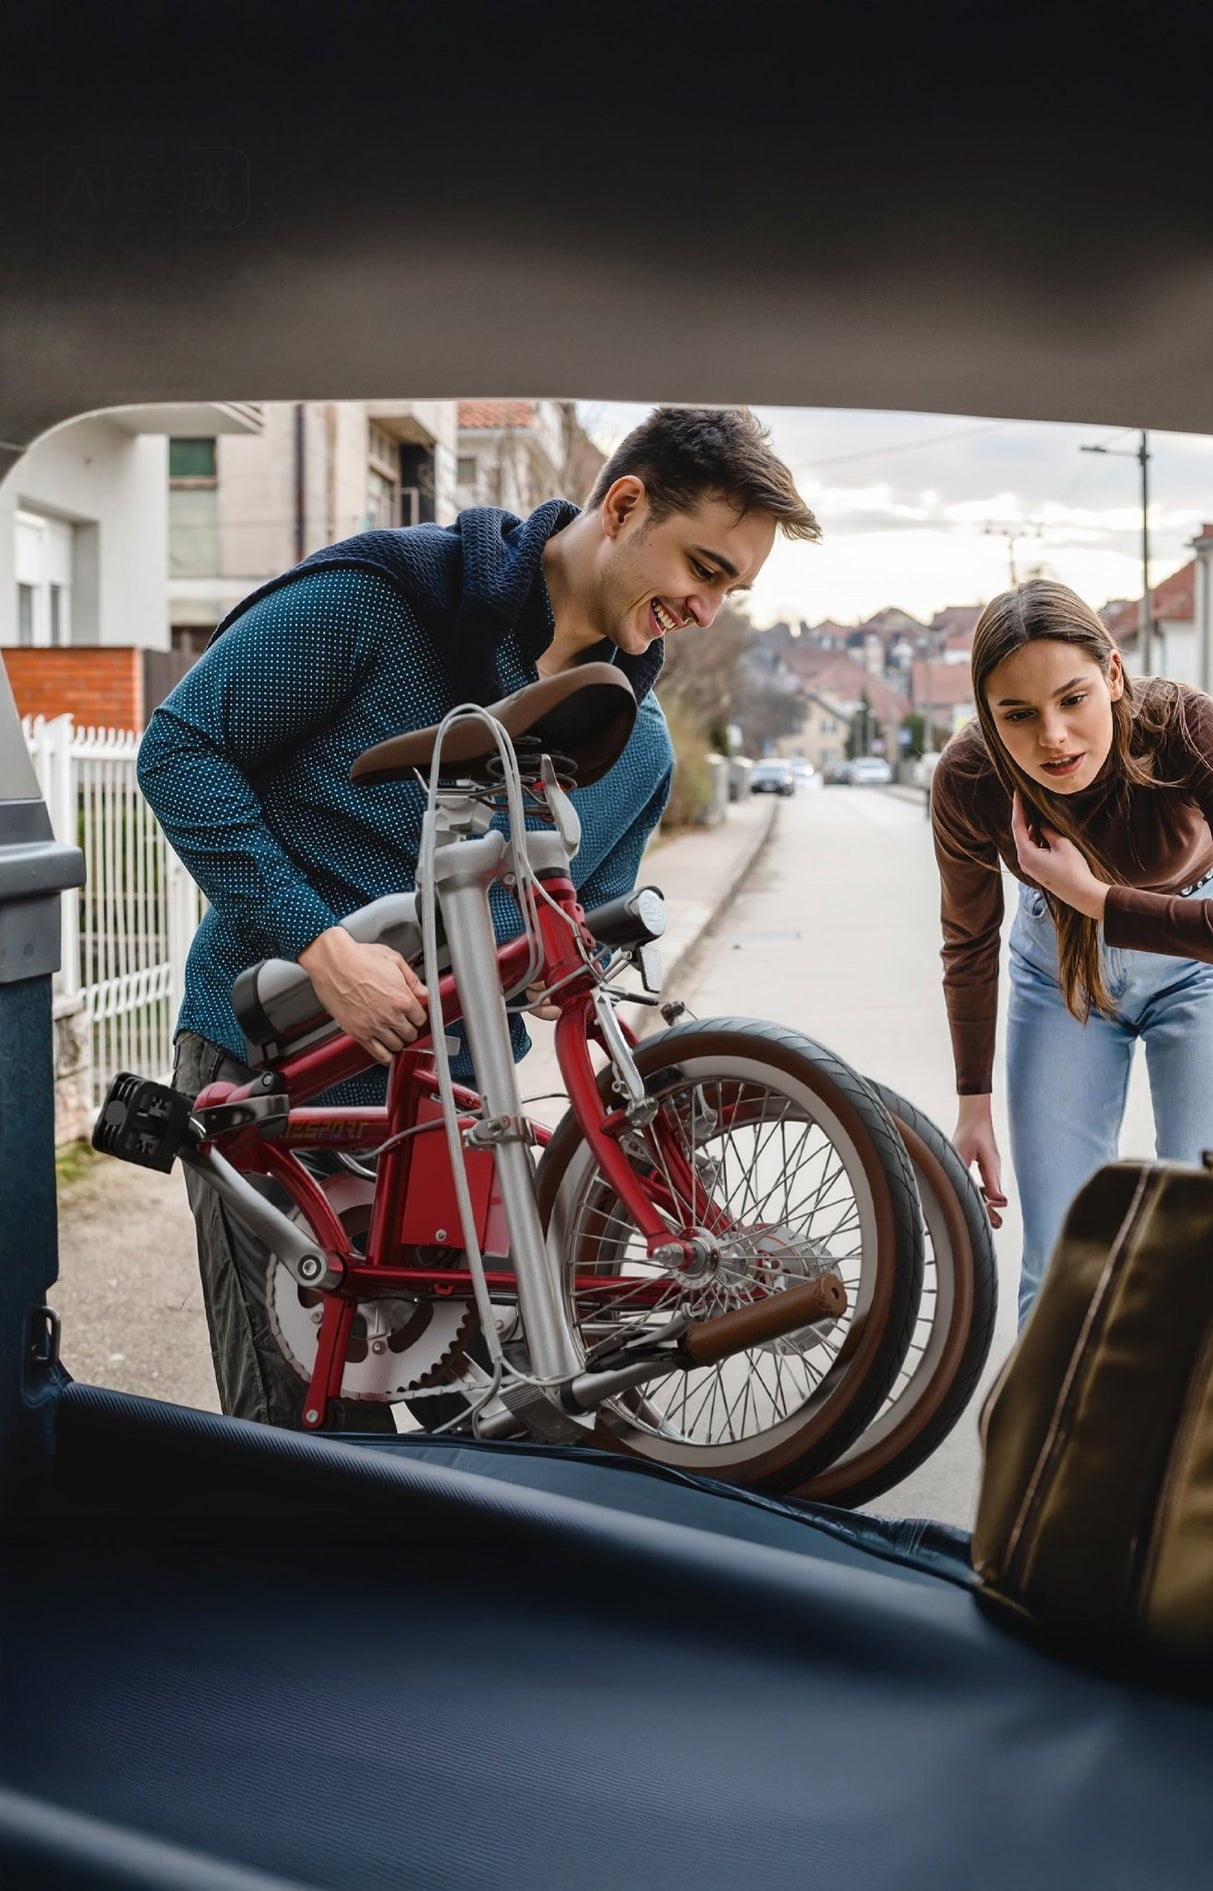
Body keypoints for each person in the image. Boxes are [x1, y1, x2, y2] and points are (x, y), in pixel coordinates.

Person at [138, 405, 821, 1426]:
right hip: (270, 1069)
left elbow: (571, 954)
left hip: (458, 1117)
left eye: (732, 587)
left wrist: (618, 1059)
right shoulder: (384, 599)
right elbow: (180, 752)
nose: (709, 607)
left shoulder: (633, 748)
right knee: (310, 1458)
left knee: (509, 1429)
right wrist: (324, 951)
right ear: (623, 505)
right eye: (705, 567)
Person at [930, 579, 1213, 1324]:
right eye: (1017, 714)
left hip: (1204, 963)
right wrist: (972, 1104)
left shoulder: (1182, 726)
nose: (1052, 736)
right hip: (1057, 973)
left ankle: (1180, 1435)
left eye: (1071, 699)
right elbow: (967, 939)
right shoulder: (969, 777)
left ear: (1111, 675)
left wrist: (1099, 901)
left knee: (1201, 1237)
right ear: (987, 714)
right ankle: (1050, 1439)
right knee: (1060, 1257)